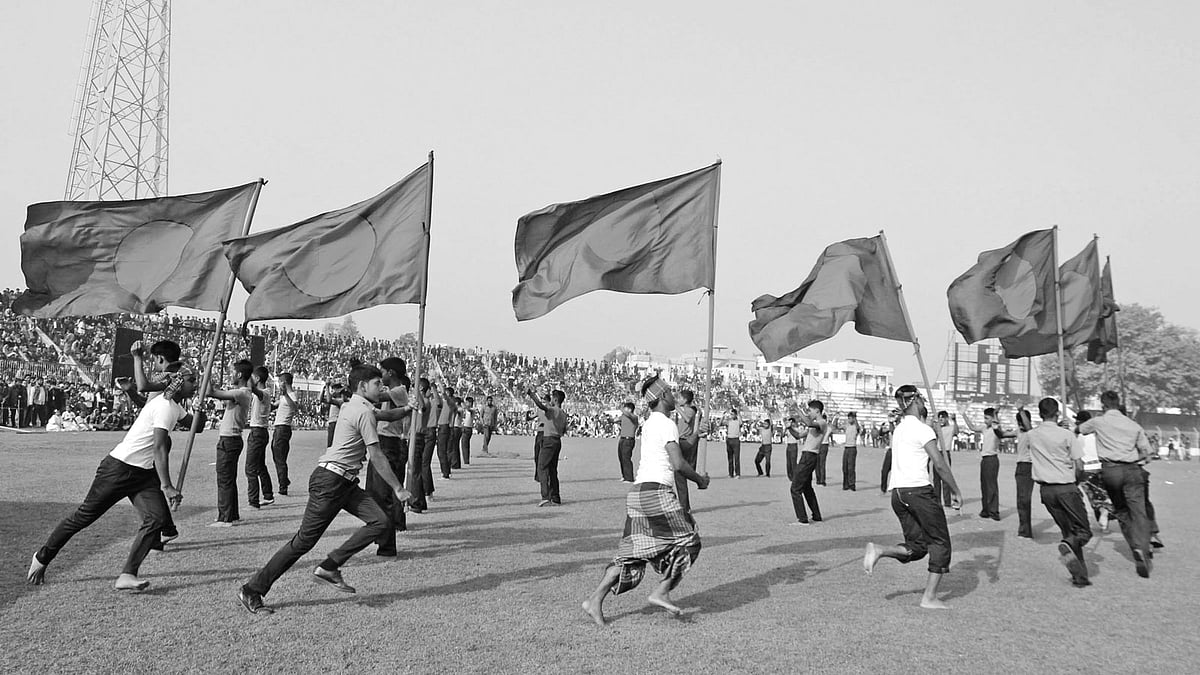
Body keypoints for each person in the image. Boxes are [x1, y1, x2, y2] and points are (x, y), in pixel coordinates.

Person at [237, 362, 410, 615]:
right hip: (331, 481)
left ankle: (330, 567)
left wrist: (407, 409)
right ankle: (252, 589)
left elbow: (386, 415)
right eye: (376, 384)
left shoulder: (358, 405)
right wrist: (398, 488)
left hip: (345, 482)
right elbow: (376, 455)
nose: (381, 387)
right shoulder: (362, 411)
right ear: (363, 386)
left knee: (381, 522)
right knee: (303, 542)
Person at [27, 367, 198, 590]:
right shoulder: (164, 407)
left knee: (156, 519)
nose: (195, 385)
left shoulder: (173, 406)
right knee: (83, 517)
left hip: (142, 473)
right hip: (118, 469)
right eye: (191, 381)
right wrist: (166, 486)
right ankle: (41, 557)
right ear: (177, 382)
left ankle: (127, 575)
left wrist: (202, 406)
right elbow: (158, 447)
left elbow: (198, 426)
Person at [581, 375, 709, 627]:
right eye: (670, 393)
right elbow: (678, 463)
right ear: (662, 397)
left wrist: (697, 430)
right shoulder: (667, 423)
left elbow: (683, 447)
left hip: (638, 493)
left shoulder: (651, 422)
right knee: (691, 540)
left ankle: (594, 600)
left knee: (632, 554)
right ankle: (661, 591)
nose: (674, 397)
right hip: (656, 492)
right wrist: (699, 480)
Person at [863, 385, 962, 609]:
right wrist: (955, 490)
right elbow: (939, 464)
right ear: (916, 400)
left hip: (898, 495)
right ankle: (929, 597)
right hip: (918, 491)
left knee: (917, 546)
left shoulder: (900, 429)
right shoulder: (922, 429)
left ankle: (880, 550)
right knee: (940, 542)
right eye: (921, 398)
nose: (924, 402)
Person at [1078, 391, 1156, 578]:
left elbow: (1080, 429)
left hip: (1110, 471)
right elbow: (1148, 452)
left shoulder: (1098, 422)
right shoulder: (1133, 425)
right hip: (1132, 469)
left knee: (1121, 511)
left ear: (1103, 405)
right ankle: (1142, 548)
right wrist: (1139, 461)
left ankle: (1134, 545)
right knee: (1138, 512)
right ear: (1119, 404)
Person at [1027, 397, 1091, 587]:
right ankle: (1071, 549)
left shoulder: (1032, 435)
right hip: (1066, 487)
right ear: (1057, 414)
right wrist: (1078, 479)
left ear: (1040, 414)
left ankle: (1080, 576)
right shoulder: (1067, 435)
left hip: (1046, 491)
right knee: (1083, 532)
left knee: (1068, 532)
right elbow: (1079, 465)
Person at [207, 359, 262, 527]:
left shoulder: (241, 393)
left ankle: (226, 518)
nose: (231, 375)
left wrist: (206, 368)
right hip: (232, 439)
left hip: (229, 439)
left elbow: (210, 391)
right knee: (229, 478)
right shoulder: (242, 392)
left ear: (239, 374)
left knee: (224, 478)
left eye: (232, 372)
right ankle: (232, 514)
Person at [369, 357, 413, 553]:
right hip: (382, 442)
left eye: (383, 372)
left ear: (392, 373)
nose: (381, 376)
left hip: (389, 443)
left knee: (383, 494)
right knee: (374, 492)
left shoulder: (399, 391)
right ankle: (380, 536)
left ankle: (387, 545)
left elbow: (378, 399)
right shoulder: (393, 390)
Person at [960, 406, 1014, 521]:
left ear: (992, 418)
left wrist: (996, 414)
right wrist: (963, 414)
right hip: (984, 459)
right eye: (984, 418)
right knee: (984, 486)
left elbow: (998, 427)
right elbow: (972, 427)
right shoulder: (984, 428)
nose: (985, 421)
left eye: (987, 418)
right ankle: (986, 510)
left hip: (992, 459)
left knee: (992, 486)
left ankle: (994, 511)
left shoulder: (996, 428)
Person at [528, 388, 568, 506]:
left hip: (549, 439)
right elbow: (564, 430)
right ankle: (555, 497)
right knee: (552, 470)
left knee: (542, 467)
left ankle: (545, 496)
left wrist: (531, 394)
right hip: (557, 441)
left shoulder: (553, 410)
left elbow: (541, 406)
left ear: (555, 399)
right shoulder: (563, 413)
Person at [789, 400, 825, 524]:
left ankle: (802, 519)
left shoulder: (822, 422)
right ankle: (816, 515)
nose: (809, 413)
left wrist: (796, 408)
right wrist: (790, 428)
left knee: (795, 488)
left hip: (809, 456)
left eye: (810, 410)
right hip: (808, 456)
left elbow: (809, 423)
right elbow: (798, 436)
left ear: (817, 411)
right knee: (806, 488)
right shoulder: (813, 426)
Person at [244, 366, 275, 510]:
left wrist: (246, 376)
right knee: (260, 466)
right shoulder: (266, 393)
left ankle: (253, 501)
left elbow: (253, 389)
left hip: (257, 432)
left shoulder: (263, 393)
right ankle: (268, 495)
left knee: (250, 468)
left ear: (257, 379)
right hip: (261, 432)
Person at [407, 377, 434, 513]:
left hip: (418, 437)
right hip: (416, 436)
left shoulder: (425, 402)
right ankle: (420, 501)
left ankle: (416, 502)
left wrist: (417, 392)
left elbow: (422, 407)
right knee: (415, 470)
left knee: (415, 471)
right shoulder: (421, 400)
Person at [673, 389, 701, 513]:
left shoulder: (690, 410)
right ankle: (684, 505)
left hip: (685, 441)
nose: (678, 400)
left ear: (685, 400)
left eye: (680, 398)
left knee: (679, 473)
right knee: (680, 473)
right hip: (681, 440)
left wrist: (678, 408)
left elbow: (688, 419)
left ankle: (684, 506)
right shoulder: (685, 410)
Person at [271, 373, 297, 496]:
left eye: (280, 381)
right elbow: (274, 405)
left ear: (284, 382)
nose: (279, 384)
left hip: (283, 428)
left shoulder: (291, 395)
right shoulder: (284, 397)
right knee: (277, 456)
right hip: (279, 428)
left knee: (280, 458)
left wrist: (285, 395)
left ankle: (283, 485)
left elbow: (294, 406)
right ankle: (284, 480)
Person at [1014, 408, 1034, 539]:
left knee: (1024, 500)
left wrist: (1021, 410)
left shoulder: (1032, 433)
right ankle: (1024, 529)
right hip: (1020, 466)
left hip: (1028, 466)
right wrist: (995, 417)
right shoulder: (1018, 432)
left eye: (1022, 422)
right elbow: (1001, 433)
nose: (1021, 425)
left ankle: (1025, 531)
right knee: (1021, 500)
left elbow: (1029, 427)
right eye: (1018, 422)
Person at [933, 411, 957, 507]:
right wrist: (934, 422)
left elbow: (956, 431)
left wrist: (955, 420)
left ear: (947, 418)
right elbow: (933, 430)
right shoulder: (938, 428)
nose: (941, 420)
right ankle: (937, 500)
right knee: (936, 479)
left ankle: (947, 501)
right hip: (937, 452)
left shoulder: (950, 428)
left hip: (946, 453)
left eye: (943, 418)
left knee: (946, 478)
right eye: (940, 418)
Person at [436, 384, 456, 479]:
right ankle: (446, 471)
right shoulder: (449, 403)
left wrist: (438, 381)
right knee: (443, 450)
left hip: (444, 427)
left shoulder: (449, 402)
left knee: (442, 451)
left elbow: (443, 393)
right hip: (444, 427)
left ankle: (445, 473)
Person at [616, 402, 638, 483]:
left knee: (626, 458)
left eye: (625, 408)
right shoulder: (623, 416)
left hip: (629, 440)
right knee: (621, 458)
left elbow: (627, 414)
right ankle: (624, 476)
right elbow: (616, 420)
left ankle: (629, 478)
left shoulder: (634, 417)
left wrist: (621, 408)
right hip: (622, 439)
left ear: (630, 409)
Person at [320, 381, 346, 449]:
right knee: (331, 443)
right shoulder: (336, 400)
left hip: (335, 422)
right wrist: (323, 390)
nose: (333, 391)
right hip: (332, 422)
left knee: (331, 444)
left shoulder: (340, 400)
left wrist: (327, 387)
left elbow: (328, 400)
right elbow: (321, 399)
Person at [842, 412, 860, 491]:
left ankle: (852, 484)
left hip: (852, 447)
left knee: (851, 467)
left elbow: (858, 427)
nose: (849, 420)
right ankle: (846, 484)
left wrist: (855, 417)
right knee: (845, 467)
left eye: (850, 418)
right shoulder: (847, 426)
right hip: (846, 447)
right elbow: (835, 427)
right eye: (848, 418)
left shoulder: (855, 427)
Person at [879, 412, 896, 493]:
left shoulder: (900, 426)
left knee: (897, 471)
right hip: (890, 450)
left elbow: (893, 431)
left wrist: (891, 422)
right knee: (884, 470)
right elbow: (882, 433)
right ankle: (883, 488)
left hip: (898, 452)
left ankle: (895, 487)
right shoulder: (891, 427)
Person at [815, 407, 832, 486]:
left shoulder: (823, 427)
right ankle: (821, 479)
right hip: (823, 444)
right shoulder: (828, 427)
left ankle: (820, 479)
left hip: (822, 444)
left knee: (820, 463)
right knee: (820, 463)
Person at [724, 408, 742, 478]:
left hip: (735, 439)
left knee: (736, 458)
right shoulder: (728, 421)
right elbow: (720, 423)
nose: (731, 415)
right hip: (729, 439)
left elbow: (741, 422)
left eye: (732, 414)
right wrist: (723, 416)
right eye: (730, 414)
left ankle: (737, 473)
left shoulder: (738, 421)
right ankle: (730, 473)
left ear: (735, 415)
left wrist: (739, 413)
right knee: (730, 458)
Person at [449, 395, 464, 470]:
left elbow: (457, 412)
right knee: (455, 447)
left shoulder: (460, 409)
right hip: (456, 428)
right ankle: (456, 463)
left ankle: (455, 463)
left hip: (456, 428)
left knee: (454, 447)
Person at [459, 396, 475, 465]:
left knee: (465, 445)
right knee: (464, 445)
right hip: (464, 427)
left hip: (467, 428)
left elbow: (468, 409)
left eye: (467, 402)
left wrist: (462, 402)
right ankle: (466, 459)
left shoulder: (472, 409)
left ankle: (466, 460)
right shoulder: (465, 409)